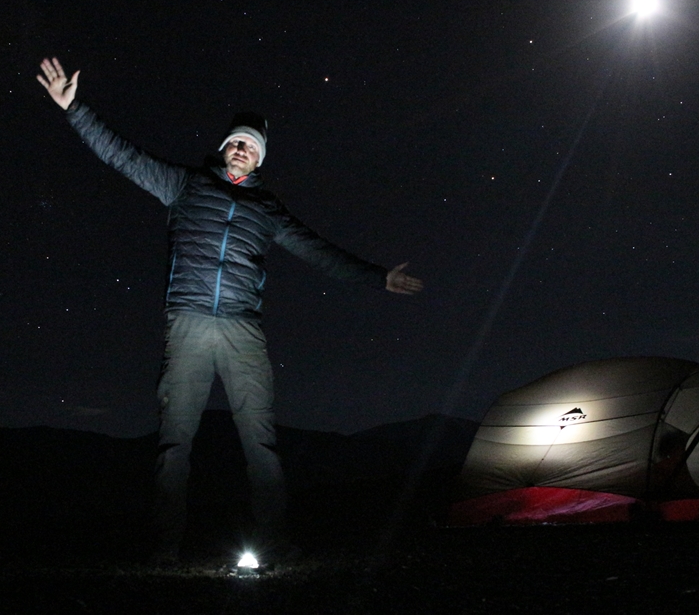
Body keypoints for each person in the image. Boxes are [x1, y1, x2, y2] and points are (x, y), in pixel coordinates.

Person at [37, 57, 423, 565]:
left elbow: (317, 250)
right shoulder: (185, 185)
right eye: (236, 142)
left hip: (243, 330)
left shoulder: (268, 211)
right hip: (189, 325)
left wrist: (378, 276)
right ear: (224, 147)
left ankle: (276, 543)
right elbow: (123, 156)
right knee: (174, 444)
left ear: (260, 160)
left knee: (260, 444)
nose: (242, 149)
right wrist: (75, 109)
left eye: (251, 146)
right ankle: (164, 549)